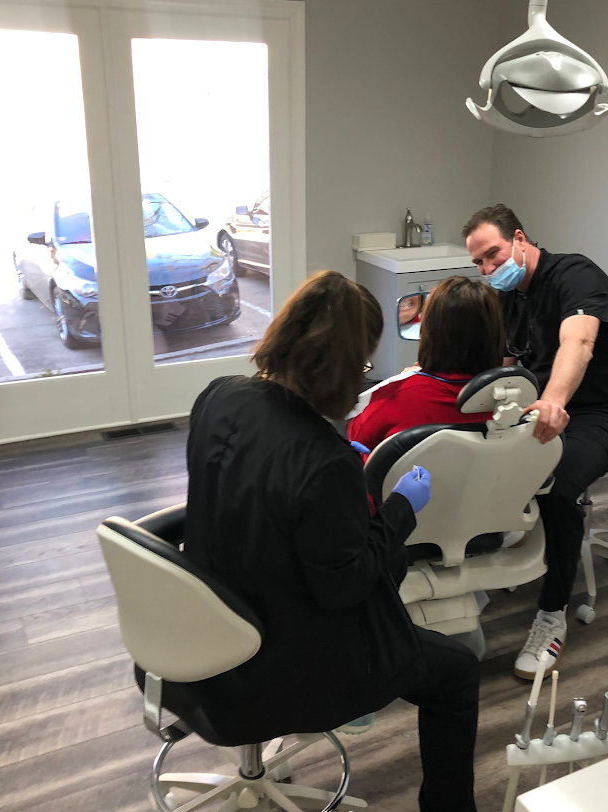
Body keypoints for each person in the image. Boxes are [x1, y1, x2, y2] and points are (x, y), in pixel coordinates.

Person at [183, 270, 481, 812]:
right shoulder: (323, 460)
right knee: (458, 672)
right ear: (349, 365)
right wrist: (400, 509)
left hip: (209, 619)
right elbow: (347, 587)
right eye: (365, 362)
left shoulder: (219, 396)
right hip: (285, 656)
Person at [463, 204, 608, 680]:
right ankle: (500, 548)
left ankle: (551, 616)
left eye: (493, 255)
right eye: (479, 264)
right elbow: (506, 362)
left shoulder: (575, 275)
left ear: (520, 239)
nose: (488, 270)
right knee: (481, 444)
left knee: (558, 480)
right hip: (551, 404)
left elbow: (578, 343)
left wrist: (552, 401)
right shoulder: (510, 296)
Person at [348, 276, 503, 450]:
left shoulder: (396, 397)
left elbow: (356, 437)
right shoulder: (508, 399)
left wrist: (409, 381)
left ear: (431, 332)